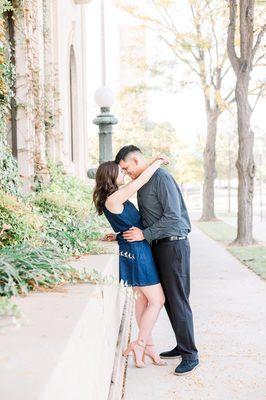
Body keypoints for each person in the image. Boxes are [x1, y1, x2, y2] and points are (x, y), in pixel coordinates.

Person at [114, 145, 199, 376]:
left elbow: (173, 216)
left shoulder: (161, 178)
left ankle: (191, 355)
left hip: (174, 245)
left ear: (135, 159)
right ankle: (182, 346)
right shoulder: (145, 180)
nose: (126, 172)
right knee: (170, 300)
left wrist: (145, 234)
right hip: (159, 247)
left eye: (126, 167)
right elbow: (147, 217)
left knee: (178, 299)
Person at [93, 156, 169, 368]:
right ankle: (141, 343)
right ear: (111, 175)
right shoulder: (114, 199)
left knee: (142, 301)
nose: (124, 173)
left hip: (134, 247)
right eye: (120, 171)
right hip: (136, 251)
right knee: (157, 300)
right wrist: (158, 161)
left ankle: (149, 347)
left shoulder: (113, 198)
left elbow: (122, 222)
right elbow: (142, 180)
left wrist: (117, 233)